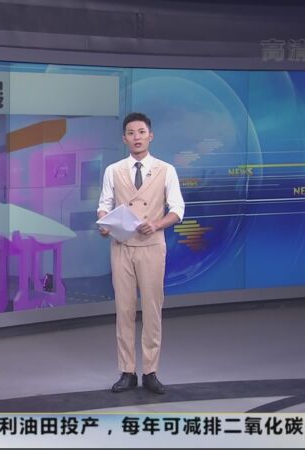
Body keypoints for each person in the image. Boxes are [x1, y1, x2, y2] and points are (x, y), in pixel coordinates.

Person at [97, 112, 185, 394]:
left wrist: (156, 224)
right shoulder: (113, 170)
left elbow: (177, 209)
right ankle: (127, 371)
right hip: (122, 246)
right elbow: (104, 205)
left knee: (152, 310)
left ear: (151, 136)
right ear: (124, 139)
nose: (137, 137)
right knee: (124, 310)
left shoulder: (166, 170)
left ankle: (150, 371)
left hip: (152, 246)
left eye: (141, 132)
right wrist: (104, 224)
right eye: (131, 133)